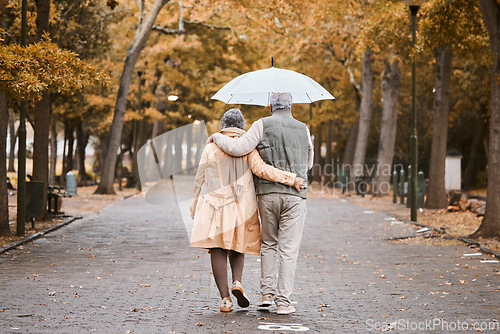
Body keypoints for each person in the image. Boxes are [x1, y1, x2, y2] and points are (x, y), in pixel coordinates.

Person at [190, 108, 305, 313]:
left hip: (216, 207)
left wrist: (193, 204)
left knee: (218, 248)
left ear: (223, 126)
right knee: (237, 245)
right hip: (241, 207)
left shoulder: (212, 147)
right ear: (242, 126)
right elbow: (263, 170)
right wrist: (290, 178)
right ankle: (237, 281)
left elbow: (200, 177)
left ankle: (225, 299)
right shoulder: (249, 149)